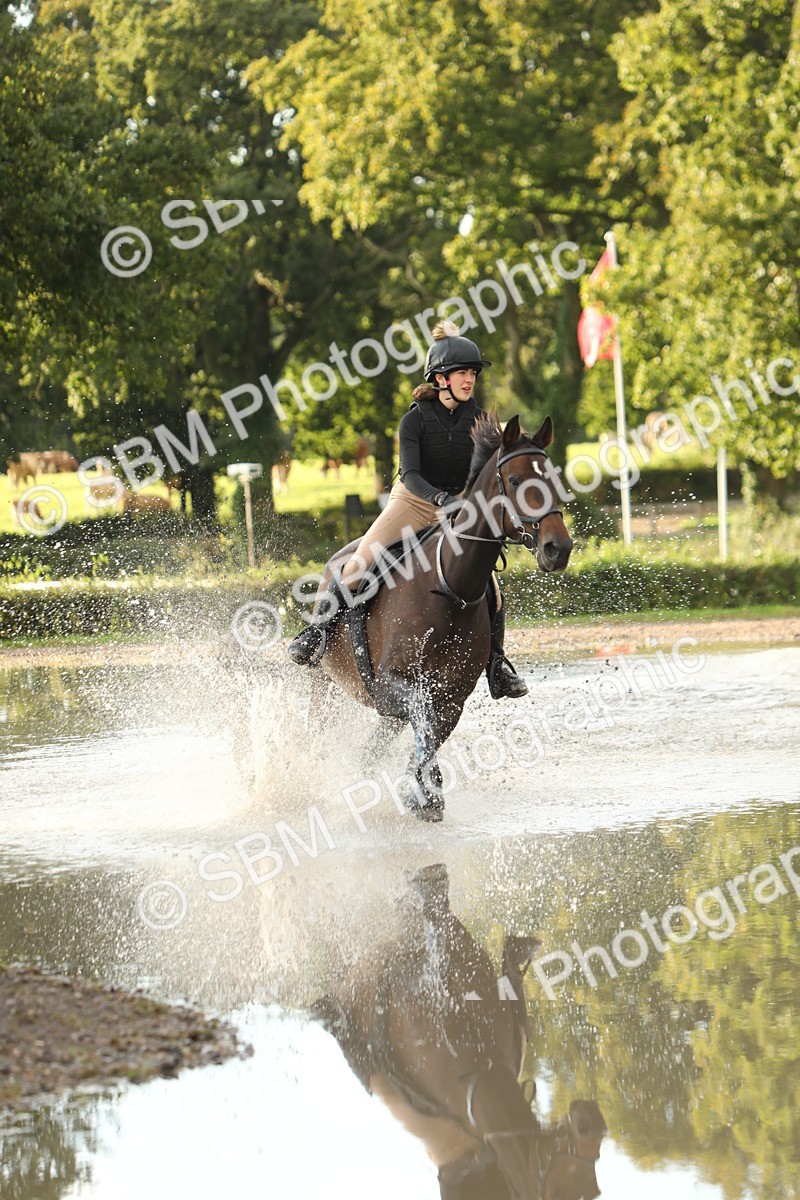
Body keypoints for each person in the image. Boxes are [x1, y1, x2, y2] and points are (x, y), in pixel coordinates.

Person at [287, 320, 528, 699]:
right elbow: (412, 475)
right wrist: (441, 501)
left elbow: (496, 469)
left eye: (473, 373)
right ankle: (316, 632)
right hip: (413, 502)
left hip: (458, 508)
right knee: (357, 564)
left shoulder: (481, 423)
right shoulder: (414, 419)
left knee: (490, 589)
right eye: (463, 372)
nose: (470, 380)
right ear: (440, 378)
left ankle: (497, 665)